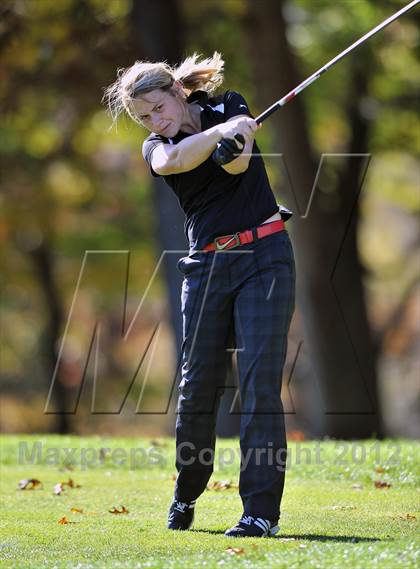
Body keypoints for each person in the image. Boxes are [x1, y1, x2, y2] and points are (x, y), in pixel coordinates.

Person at [104, 52, 295, 538]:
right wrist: (219, 135)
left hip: (265, 256)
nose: (156, 121)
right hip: (207, 266)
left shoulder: (228, 105)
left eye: (158, 107)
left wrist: (236, 138)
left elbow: (236, 169)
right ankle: (187, 491)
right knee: (198, 389)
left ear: (176, 91)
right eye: (144, 117)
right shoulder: (157, 147)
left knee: (259, 384)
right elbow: (176, 160)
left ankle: (259, 513)